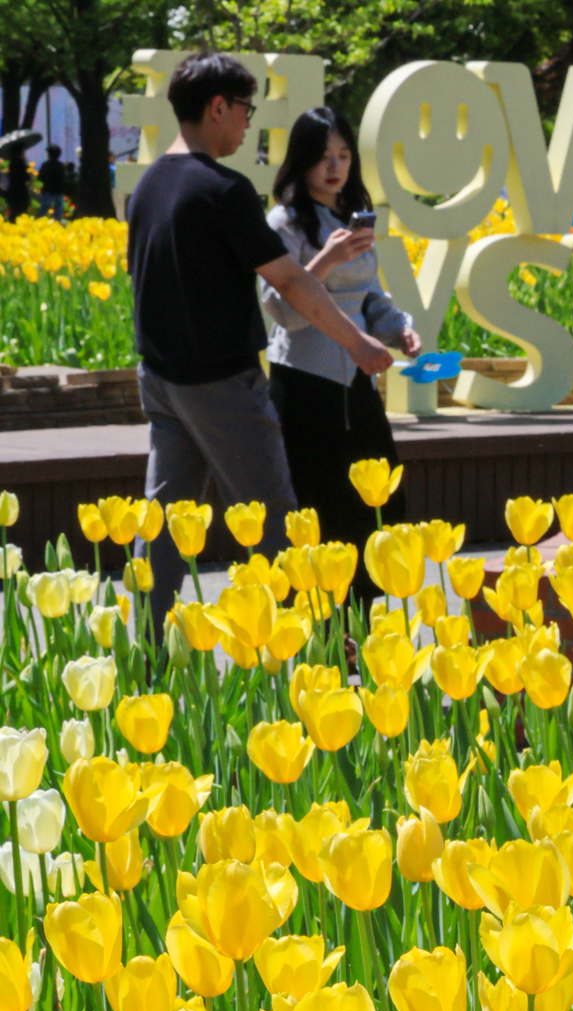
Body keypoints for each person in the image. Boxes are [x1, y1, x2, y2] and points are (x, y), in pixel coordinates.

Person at [124, 52, 393, 637]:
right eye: (245, 110)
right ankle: (308, 661)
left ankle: (143, 654)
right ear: (217, 107)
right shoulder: (223, 190)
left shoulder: (147, 187)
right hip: (222, 385)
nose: (248, 124)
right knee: (279, 530)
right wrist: (359, 344)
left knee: (165, 528)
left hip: (162, 382)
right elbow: (292, 283)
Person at [261, 107, 421, 604]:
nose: (335, 167)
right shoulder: (283, 222)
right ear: (300, 162)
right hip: (305, 384)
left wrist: (400, 329)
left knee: (374, 508)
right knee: (318, 507)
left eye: (343, 155)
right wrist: (326, 258)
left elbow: (370, 296)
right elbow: (280, 312)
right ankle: (319, 628)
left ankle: (363, 621)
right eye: (323, 157)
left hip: (358, 383)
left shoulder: (353, 218)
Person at [36, 147, 66, 220]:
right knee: (58, 215)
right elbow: (64, 179)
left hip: (47, 191)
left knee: (43, 213)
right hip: (59, 192)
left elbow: (40, 177)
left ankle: (41, 227)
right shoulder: (60, 166)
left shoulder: (45, 165)